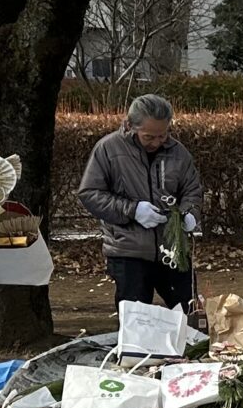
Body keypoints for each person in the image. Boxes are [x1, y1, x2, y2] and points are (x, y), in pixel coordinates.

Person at [77, 93, 205, 310]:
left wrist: (190, 213)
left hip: (172, 249)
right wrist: (132, 210)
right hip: (128, 251)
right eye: (149, 137)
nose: (157, 142)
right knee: (135, 322)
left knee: (190, 313)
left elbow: (192, 191)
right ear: (130, 125)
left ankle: (193, 344)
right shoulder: (108, 149)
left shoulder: (178, 153)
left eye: (162, 135)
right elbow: (90, 193)